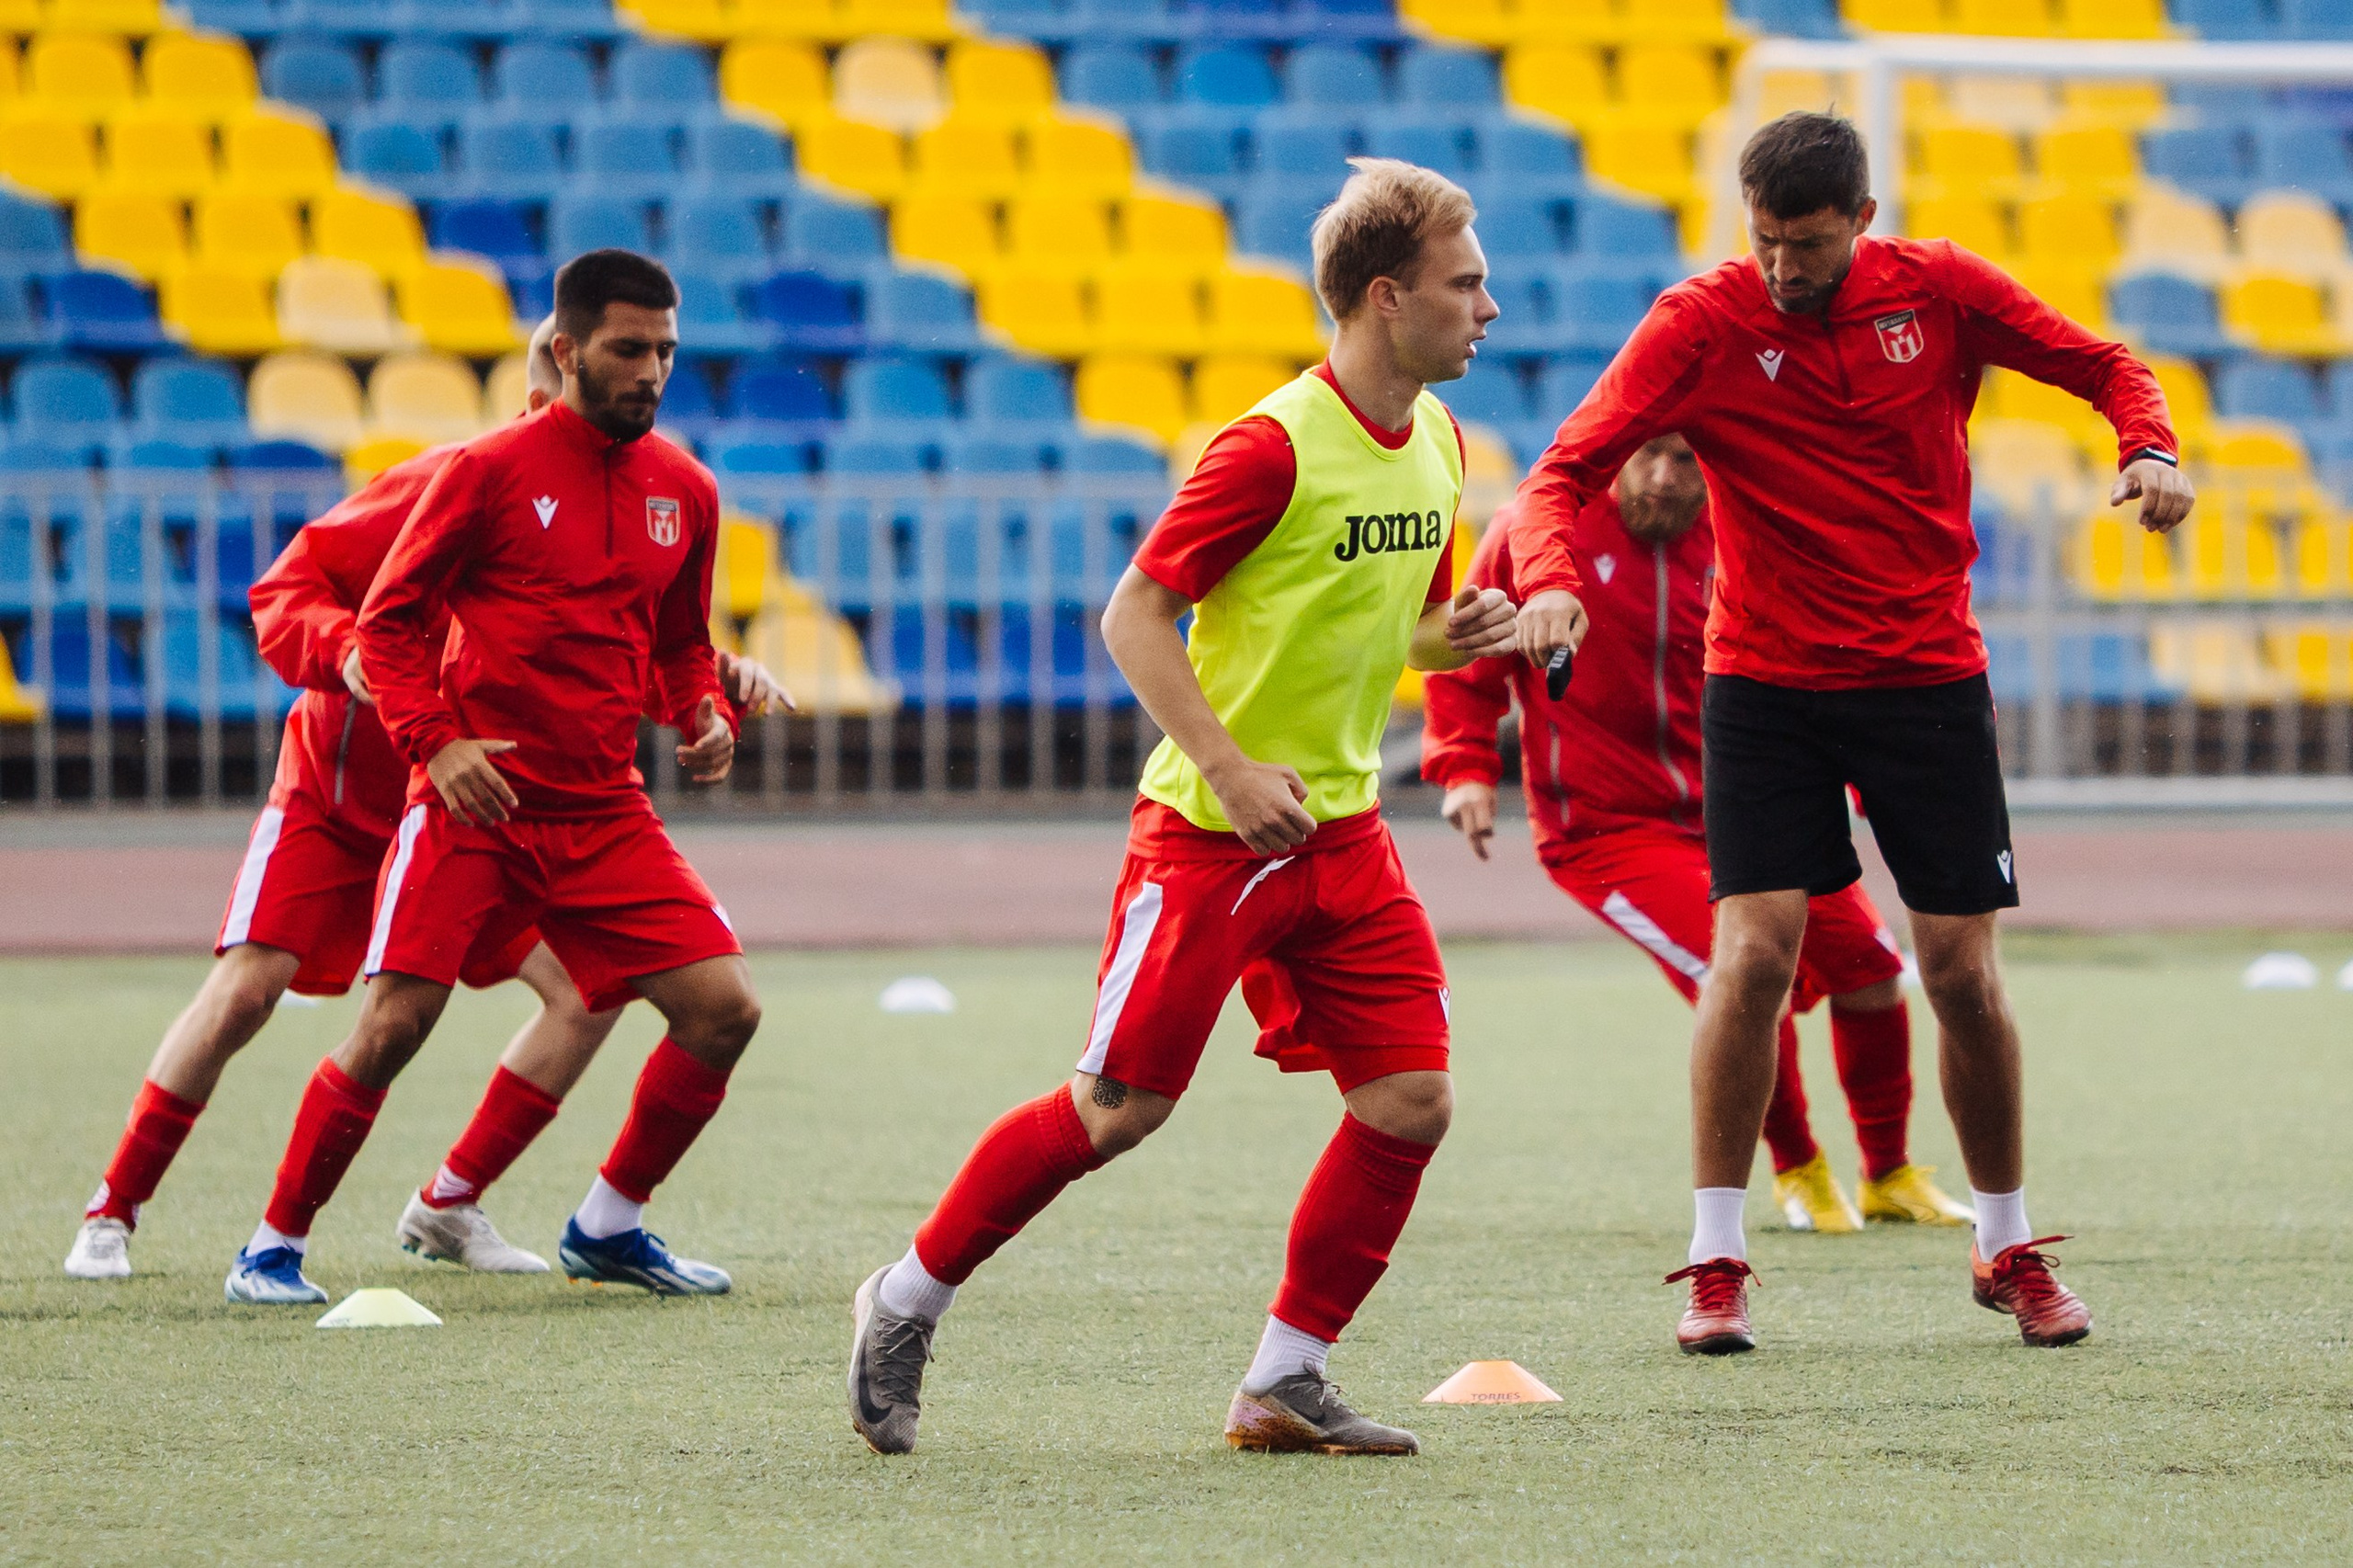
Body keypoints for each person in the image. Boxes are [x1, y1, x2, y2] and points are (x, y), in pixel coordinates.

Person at [844, 159, 1519, 1457]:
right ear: (1388, 297)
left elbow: (1398, 631)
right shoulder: (1269, 446)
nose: (1488, 305)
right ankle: (904, 1296)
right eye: (1465, 281)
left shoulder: (1437, 439)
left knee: (1409, 1100)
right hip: (1211, 837)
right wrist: (1223, 766)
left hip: (1342, 831)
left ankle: (1284, 1377)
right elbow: (1134, 614)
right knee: (1118, 1110)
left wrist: (1461, 631)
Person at [1510, 113, 2194, 1354]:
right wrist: (1551, 574)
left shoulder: (1938, 292)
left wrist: (2147, 446)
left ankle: (2006, 1243)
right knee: (1754, 959)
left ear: (1862, 223)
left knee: (1959, 974)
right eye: (1766, 241)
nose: (1782, 268)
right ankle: (1718, 1261)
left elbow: (2105, 362)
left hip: (1925, 680)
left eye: (1808, 244)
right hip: (1764, 684)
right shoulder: (1701, 321)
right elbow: (1561, 471)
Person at [64, 318, 777, 1283]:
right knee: (247, 991)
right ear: (546, 388)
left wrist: (715, 684)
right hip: (344, 792)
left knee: (581, 992)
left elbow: (590, 655)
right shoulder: (445, 484)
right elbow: (287, 590)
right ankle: (114, 1207)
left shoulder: (599, 493)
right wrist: (347, 651)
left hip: (480, 803)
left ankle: (450, 1200)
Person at [1423, 436, 1972, 1236]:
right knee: (1746, 978)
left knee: (1872, 969)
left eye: (1686, 459)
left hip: (1749, 812)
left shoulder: (1751, 534)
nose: (1660, 478)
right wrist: (1465, 766)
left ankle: (1887, 1174)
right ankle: (1801, 1172)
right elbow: (1474, 655)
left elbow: (1825, 664)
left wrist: (1852, 778)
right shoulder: (1539, 532)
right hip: (1607, 830)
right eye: (1645, 455)